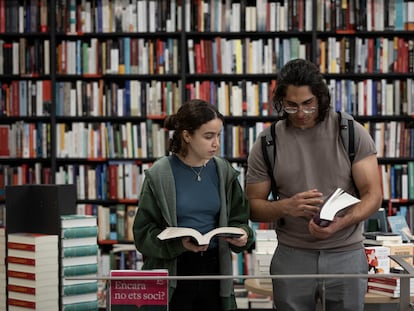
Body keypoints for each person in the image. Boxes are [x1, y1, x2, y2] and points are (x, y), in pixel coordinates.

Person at [245, 59, 382, 311]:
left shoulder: (350, 132)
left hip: (346, 253)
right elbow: (253, 206)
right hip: (292, 255)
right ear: (281, 102)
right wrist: (286, 207)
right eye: (292, 105)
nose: (301, 113)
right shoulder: (267, 142)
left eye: (308, 104)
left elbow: (373, 195)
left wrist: (342, 222)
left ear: (320, 97)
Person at [133, 99, 255, 311]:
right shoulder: (159, 174)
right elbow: (142, 235)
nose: (216, 143)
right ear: (187, 136)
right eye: (208, 136)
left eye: (218, 135)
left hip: (215, 270)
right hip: (174, 269)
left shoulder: (223, 171)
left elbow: (240, 220)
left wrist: (244, 235)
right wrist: (179, 244)